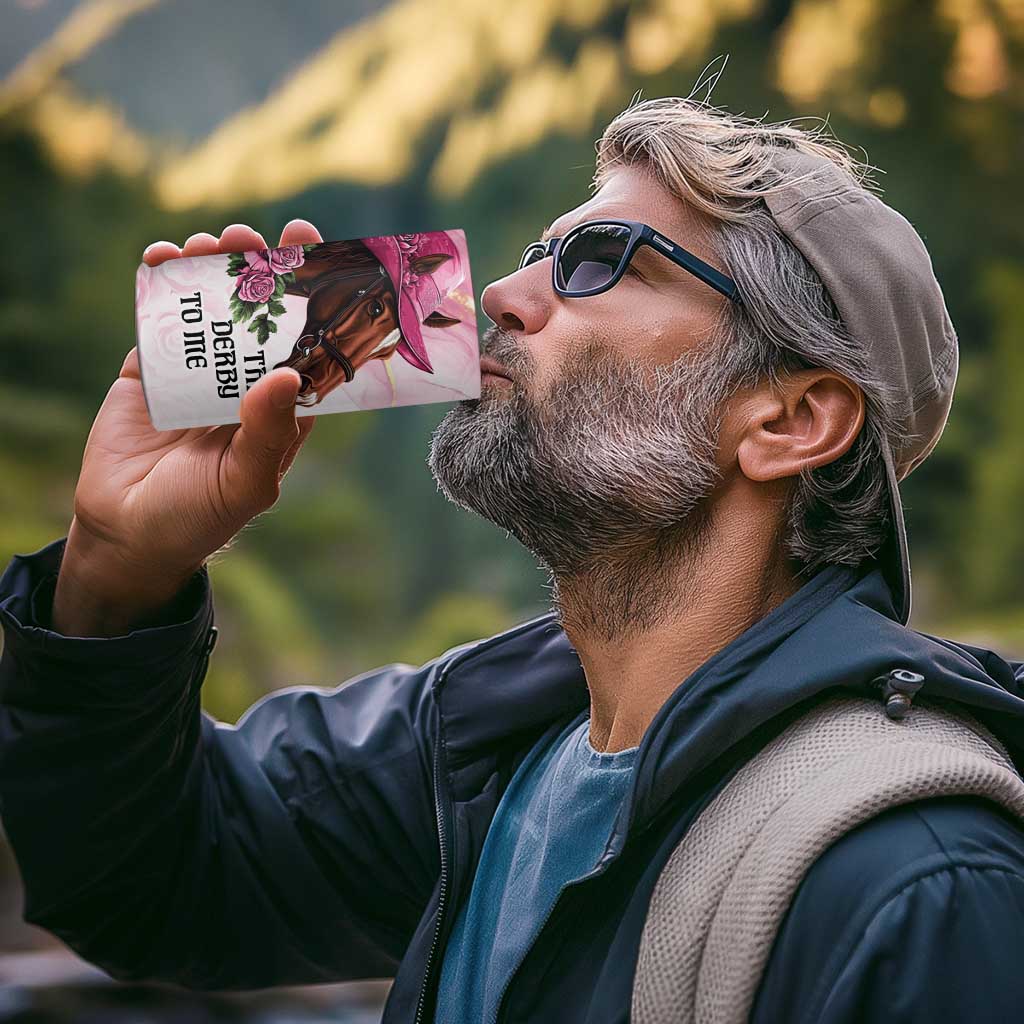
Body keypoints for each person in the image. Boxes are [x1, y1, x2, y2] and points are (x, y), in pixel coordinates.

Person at [2, 95, 1024, 1024]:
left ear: (791, 420)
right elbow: (149, 880)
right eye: (541, 251)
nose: (500, 291)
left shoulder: (918, 884)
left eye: (600, 261)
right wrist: (116, 572)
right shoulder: (480, 748)